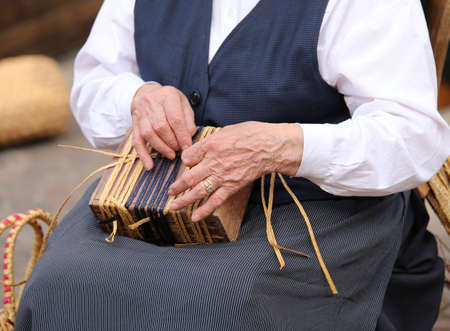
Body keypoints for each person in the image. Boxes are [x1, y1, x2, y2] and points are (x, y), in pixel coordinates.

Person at [15, 0, 450, 330]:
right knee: (60, 282)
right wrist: (138, 98)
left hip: (309, 203)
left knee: (216, 302)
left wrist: (284, 146)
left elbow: (412, 135)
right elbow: (95, 78)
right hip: (160, 191)